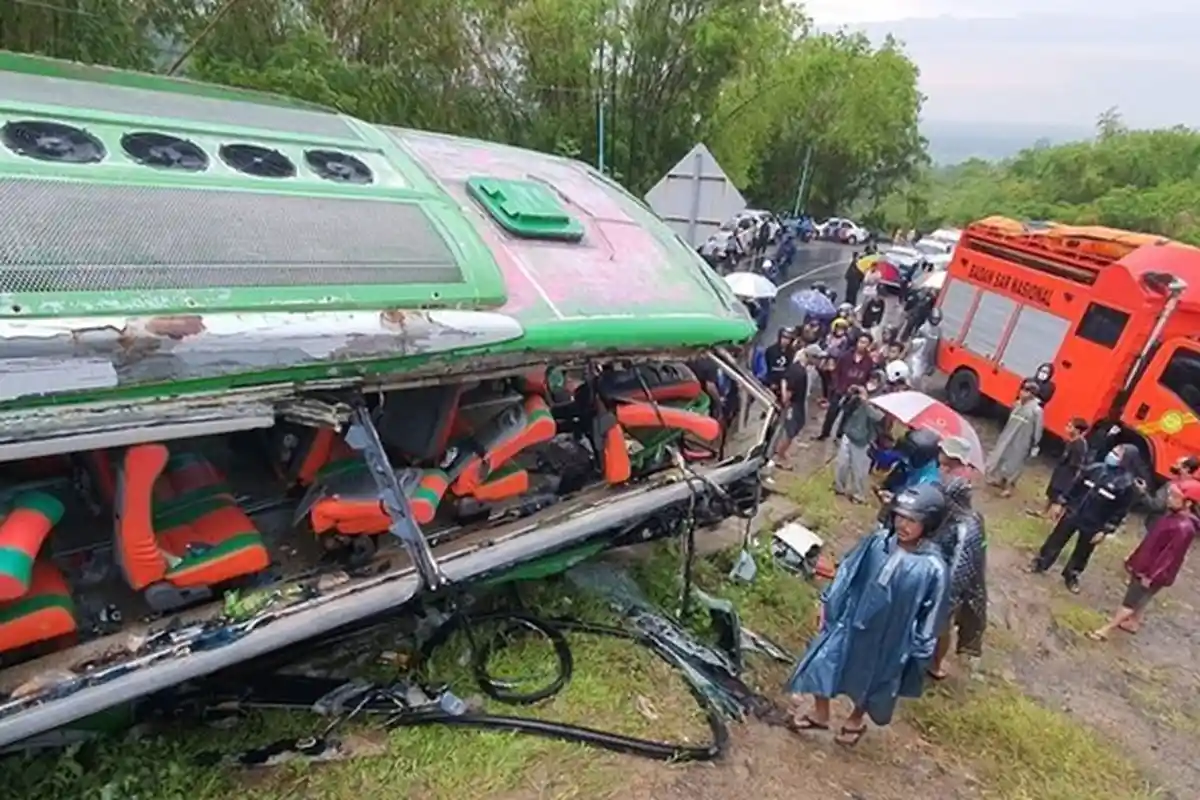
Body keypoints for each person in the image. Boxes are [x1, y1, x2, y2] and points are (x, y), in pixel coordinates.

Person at [785, 483, 949, 746]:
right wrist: (829, 604)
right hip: (851, 621)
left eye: (912, 520)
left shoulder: (934, 569)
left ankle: (855, 719)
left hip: (891, 638)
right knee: (823, 661)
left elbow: (931, 617)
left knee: (873, 682)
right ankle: (820, 712)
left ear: (929, 524)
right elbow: (848, 573)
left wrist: (919, 653)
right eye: (900, 517)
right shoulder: (878, 542)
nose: (903, 524)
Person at [1088, 479, 1200, 641]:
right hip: (1147, 565)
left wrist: (1151, 576)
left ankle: (1106, 630)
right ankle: (1132, 623)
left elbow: (1170, 556)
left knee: (1131, 601)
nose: (1169, 499)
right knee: (1141, 599)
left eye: (1174, 496)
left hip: (1149, 571)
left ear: (1188, 503)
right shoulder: (1174, 518)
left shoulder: (1183, 528)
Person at [1030, 443, 1139, 593]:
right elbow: (1075, 486)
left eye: (1117, 454)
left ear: (1127, 460)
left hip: (1094, 523)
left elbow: (1120, 512)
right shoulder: (1095, 469)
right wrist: (1061, 503)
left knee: (1083, 551)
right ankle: (1040, 563)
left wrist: (1105, 530)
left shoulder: (1126, 485)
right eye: (1113, 452)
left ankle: (1072, 575)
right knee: (1056, 539)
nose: (1112, 455)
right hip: (1074, 512)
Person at [928, 475, 988, 679]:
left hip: (950, 585)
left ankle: (935, 664)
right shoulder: (949, 516)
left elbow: (961, 567)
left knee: (941, 626)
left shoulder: (967, 528)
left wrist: (946, 596)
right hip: (935, 571)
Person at [984, 379, 1044, 497]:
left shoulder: (1036, 411)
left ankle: (1009, 488)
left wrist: (1035, 444)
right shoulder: (1017, 404)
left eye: (1026, 391)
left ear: (1032, 394)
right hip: (1008, 436)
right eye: (1023, 390)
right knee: (1003, 457)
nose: (1022, 393)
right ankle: (1000, 480)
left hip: (1022, 441)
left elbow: (1038, 429)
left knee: (1015, 463)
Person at [815, 332, 875, 441]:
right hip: (840, 389)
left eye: (865, 343)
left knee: (847, 416)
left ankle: (839, 436)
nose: (862, 345)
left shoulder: (869, 362)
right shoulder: (846, 356)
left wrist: (860, 389)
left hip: (855, 394)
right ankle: (825, 433)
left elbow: (867, 378)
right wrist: (836, 386)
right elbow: (836, 371)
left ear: (869, 345)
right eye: (860, 342)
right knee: (832, 413)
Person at [1032, 417, 1090, 519]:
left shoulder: (1080, 445)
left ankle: (1055, 516)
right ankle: (1044, 511)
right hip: (1060, 471)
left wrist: (1069, 477)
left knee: (1058, 495)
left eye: (1070, 426)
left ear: (1077, 430)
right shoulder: (1071, 441)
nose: (1067, 428)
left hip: (1067, 475)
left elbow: (1076, 464)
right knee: (1051, 492)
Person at [834, 383, 883, 503]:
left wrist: (866, 402)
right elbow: (843, 407)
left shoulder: (880, 399)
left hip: (863, 440)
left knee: (859, 469)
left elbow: (878, 417)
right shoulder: (856, 397)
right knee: (842, 463)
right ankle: (839, 487)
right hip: (849, 434)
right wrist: (849, 395)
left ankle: (859, 495)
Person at [1141, 455, 1199, 534]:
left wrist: (1142, 492)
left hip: (1157, 526)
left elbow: (1156, 505)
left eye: (1179, 464)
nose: (1175, 465)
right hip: (1177, 529)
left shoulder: (1172, 485)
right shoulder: (1195, 487)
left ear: (1186, 469)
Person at [774, 348, 812, 466]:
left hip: (797, 403)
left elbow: (784, 379)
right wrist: (786, 400)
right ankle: (779, 455)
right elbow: (789, 388)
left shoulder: (795, 368)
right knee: (791, 430)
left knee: (796, 425)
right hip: (794, 404)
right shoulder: (799, 372)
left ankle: (781, 451)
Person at [906, 308, 942, 392]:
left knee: (918, 379)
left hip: (926, 359)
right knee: (912, 377)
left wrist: (933, 363)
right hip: (917, 357)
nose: (935, 321)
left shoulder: (938, 331)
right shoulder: (924, 328)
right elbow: (914, 342)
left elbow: (935, 348)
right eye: (934, 319)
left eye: (937, 319)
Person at [762, 327, 795, 402]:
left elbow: (790, 369)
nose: (785, 341)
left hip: (784, 384)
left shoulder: (791, 353)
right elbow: (767, 366)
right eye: (784, 337)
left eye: (788, 338)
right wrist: (770, 382)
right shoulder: (771, 350)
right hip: (771, 383)